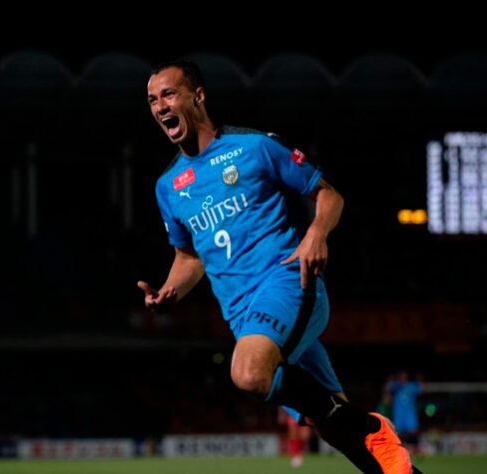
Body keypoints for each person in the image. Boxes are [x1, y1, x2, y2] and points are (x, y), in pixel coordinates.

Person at [138, 58, 419, 474]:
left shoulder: (253, 148)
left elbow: (329, 195)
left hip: (289, 283)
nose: (159, 105)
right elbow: (189, 256)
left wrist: (315, 234)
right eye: (151, 99)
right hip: (243, 315)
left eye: (168, 94)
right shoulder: (168, 186)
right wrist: (169, 290)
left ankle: (369, 426)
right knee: (330, 422)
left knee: (248, 373)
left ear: (197, 97)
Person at [386, 371, 422, 452]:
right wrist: (390, 379)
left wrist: (419, 380)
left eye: (404, 376)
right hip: (398, 414)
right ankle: (399, 449)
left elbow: (421, 390)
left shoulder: (411, 386)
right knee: (397, 432)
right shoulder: (395, 386)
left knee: (412, 431)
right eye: (401, 376)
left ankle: (414, 448)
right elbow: (387, 389)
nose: (403, 378)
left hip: (409, 413)